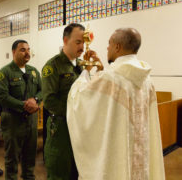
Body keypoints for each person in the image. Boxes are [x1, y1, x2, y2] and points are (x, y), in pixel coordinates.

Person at [67, 28, 165, 179]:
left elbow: (79, 98)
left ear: (117, 47)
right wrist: (101, 70)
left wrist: (86, 71)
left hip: (119, 153)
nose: (107, 47)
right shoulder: (147, 80)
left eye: (109, 43)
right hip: (141, 155)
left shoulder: (111, 77)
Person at [42, 23, 98, 180]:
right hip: (61, 128)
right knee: (60, 170)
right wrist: (74, 112)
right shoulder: (53, 66)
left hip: (80, 127)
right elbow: (49, 100)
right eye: (78, 42)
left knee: (77, 170)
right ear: (65, 40)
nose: (82, 47)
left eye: (83, 42)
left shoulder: (80, 66)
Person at [0, 40, 42, 180]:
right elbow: (2, 97)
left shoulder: (33, 71)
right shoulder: (5, 72)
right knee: (12, 158)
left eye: (28, 49)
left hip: (31, 121)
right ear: (14, 52)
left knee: (30, 156)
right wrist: (25, 105)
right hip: (12, 121)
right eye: (23, 50)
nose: (27, 52)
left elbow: (42, 90)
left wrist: (36, 100)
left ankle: (29, 177)